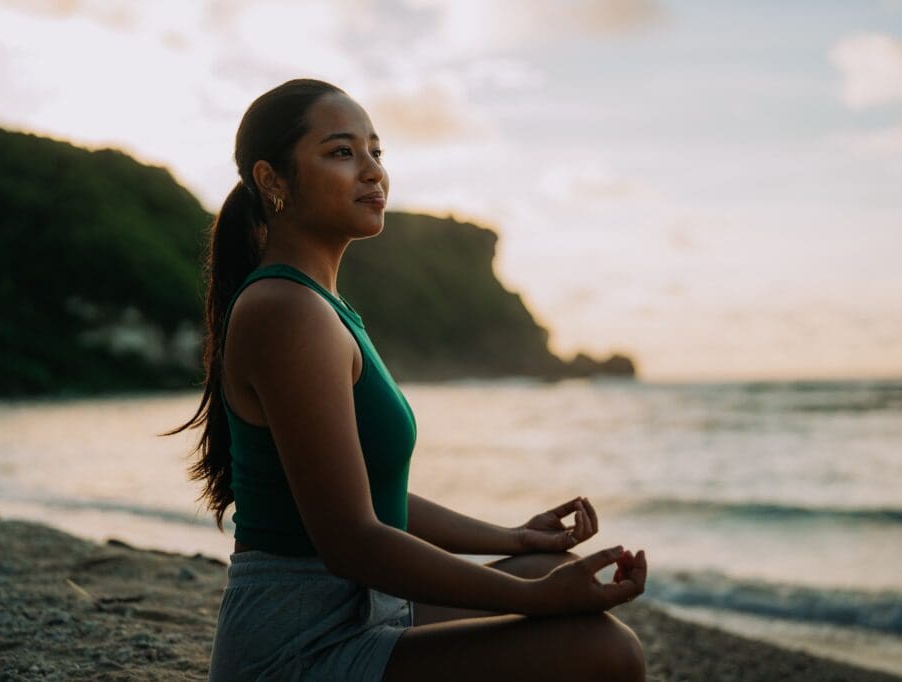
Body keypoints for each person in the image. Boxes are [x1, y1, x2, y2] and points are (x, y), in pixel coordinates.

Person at [166, 78, 648, 681]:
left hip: (366, 611)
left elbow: (367, 497)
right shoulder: (286, 310)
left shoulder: (320, 307)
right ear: (272, 180)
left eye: (376, 151)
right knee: (607, 653)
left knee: (535, 570)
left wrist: (515, 539)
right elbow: (351, 541)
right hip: (298, 647)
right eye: (342, 152)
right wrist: (537, 601)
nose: (372, 171)